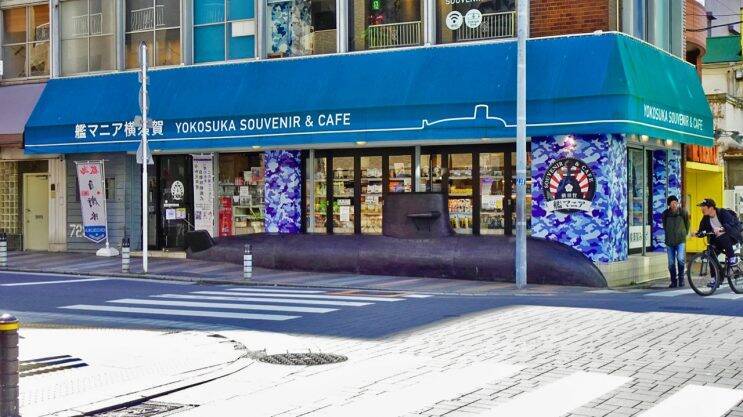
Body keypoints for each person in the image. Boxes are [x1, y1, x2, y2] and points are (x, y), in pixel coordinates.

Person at [696, 199, 741, 266]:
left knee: (723, 237)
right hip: (718, 241)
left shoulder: (722, 212)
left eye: (703, 207)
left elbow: (730, 224)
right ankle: (716, 273)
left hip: (732, 236)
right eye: (701, 207)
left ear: (711, 208)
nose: (701, 209)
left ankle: (732, 258)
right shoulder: (706, 218)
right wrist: (698, 233)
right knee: (711, 255)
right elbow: (702, 229)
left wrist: (721, 228)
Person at [662, 196, 689, 288]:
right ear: (669, 204)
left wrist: (684, 233)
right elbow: (665, 226)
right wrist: (669, 233)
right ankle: (673, 281)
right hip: (669, 241)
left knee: (680, 259)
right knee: (671, 263)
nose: (674, 204)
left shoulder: (683, 212)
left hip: (680, 240)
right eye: (672, 203)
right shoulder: (665, 214)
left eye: (675, 202)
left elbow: (687, 224)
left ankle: (681, 279)